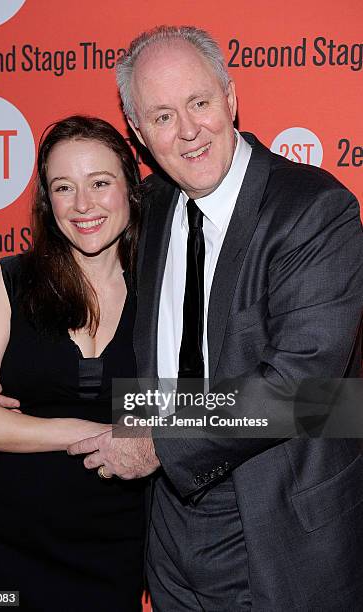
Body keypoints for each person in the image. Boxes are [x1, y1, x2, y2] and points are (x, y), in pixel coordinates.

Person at [67, 26, 363, 610]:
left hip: (279, 524)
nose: (187, 131)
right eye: (161, 116)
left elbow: (307, 391)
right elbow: (89, 300)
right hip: (169, 528)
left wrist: (163, 441)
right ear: (139, 133)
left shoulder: (314, 210)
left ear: (229, 99)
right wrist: (25, 384)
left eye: (199, 103)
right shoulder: (148, 208)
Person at [0, 116, 146, 612]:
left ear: (131, 187)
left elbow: (213, 402)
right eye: (65, 187)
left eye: (100, 183)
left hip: (114, 547)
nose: (83, 205)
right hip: (0, 546)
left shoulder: (163, 290)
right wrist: (93, 431)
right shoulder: (11, 280)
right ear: (47, 200)